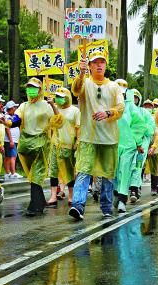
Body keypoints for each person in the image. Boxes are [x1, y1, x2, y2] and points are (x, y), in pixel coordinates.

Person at [69, 50, 125, 220]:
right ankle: (77, 206)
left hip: (109, 139)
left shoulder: (114, 86)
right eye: (95, 62)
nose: (99, 65)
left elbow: (121, 108)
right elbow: (75, 90)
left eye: (102, 62)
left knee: (108, 174)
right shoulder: (85, 83)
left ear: (106, 66)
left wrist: (108, 113)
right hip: (88, 138)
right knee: (84, 171)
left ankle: (106, 207)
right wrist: (80, 73)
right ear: (90, 66)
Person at [10, 77, 63, 216]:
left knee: (36, 175)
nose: (31, 90)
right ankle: (39, 202)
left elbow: (58, 121)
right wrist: (7, 122)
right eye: (29, 87)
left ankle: (35, 206)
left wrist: (53, 105)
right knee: (33, 176)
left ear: (40, 90)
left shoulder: (46, 105)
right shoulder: (24, 106)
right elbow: (16, 120)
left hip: (41, 145)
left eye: (34, 87)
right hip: (26, 146)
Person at [46, 87, 79, 207]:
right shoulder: (53, 109)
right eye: (57, 97)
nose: (59, 99)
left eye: (61, 97)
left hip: (69, 145)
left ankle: (71, 196)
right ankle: (53, 196)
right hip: (56, 143)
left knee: (69, 170)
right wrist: (52, 106)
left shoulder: (74, 111)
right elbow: (56, 121)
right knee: (53, 170)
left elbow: (78, 127)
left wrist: (77, 141)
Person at [3, 101, 21, 179]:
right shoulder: (6, 117)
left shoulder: (14, 117)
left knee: (8, 156)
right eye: (14, 107)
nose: (16, 108)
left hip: (13, 140)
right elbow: (7, 129)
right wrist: (11, 140)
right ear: (11, 108)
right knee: (13, 156)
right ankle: (13, 173)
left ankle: (8, 172)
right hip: (10, 140)